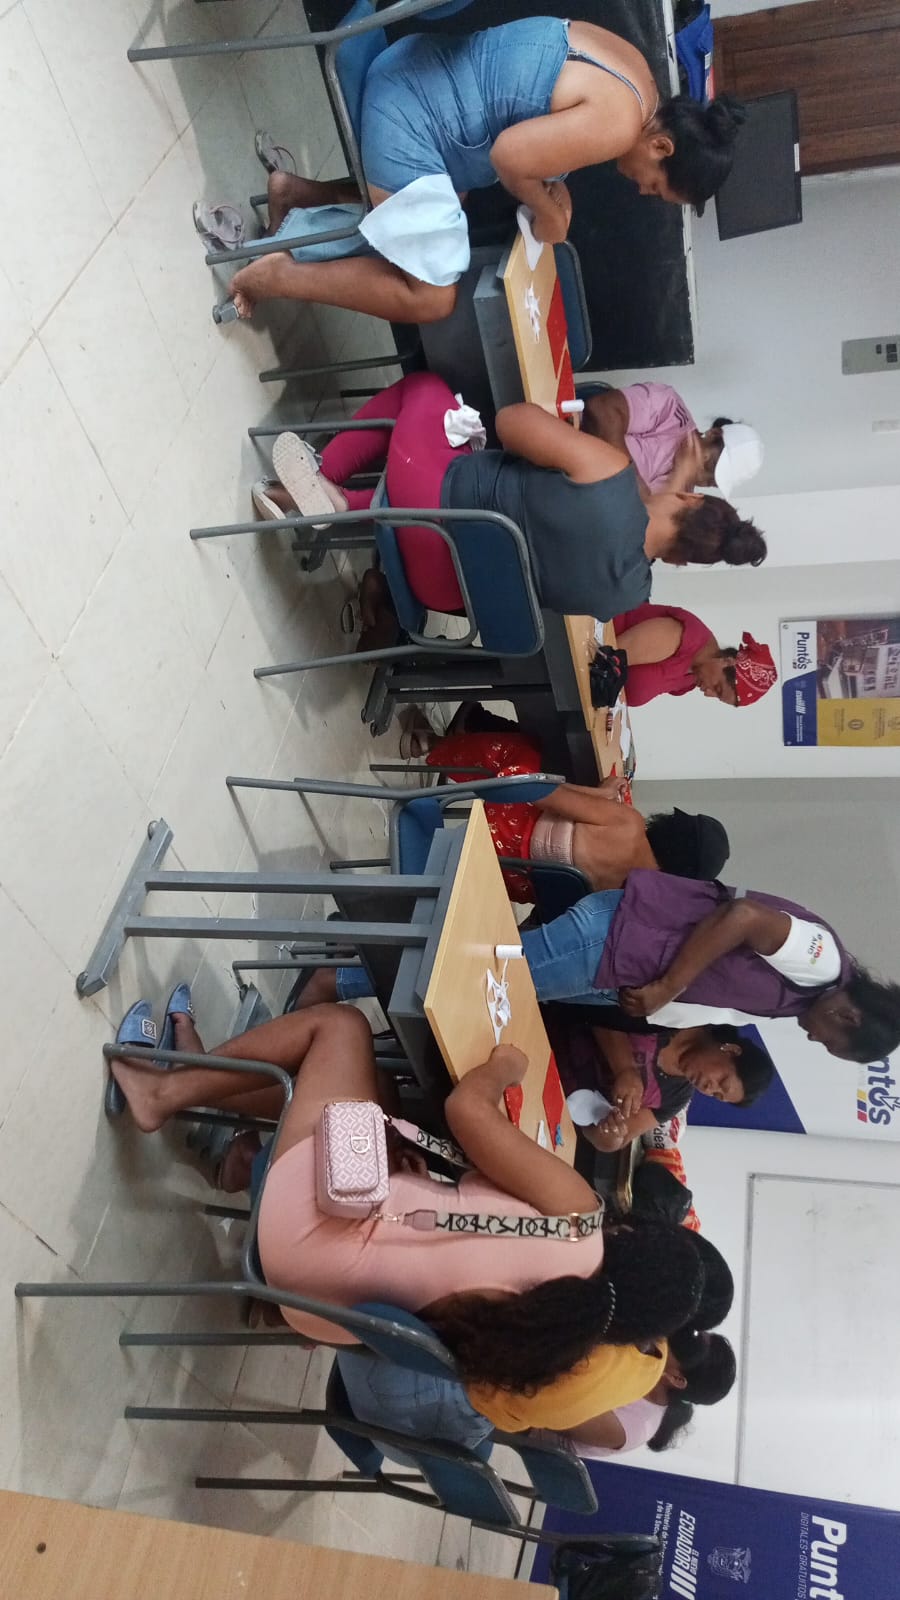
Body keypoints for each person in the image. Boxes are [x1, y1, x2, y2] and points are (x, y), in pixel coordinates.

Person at [108, 1002, 707, 1420]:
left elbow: (466, 1111)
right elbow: (446, 1287)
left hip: (315, 1219)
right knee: (379, 1096)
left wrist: (506, 1068)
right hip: (320, 1305)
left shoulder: (581, 1220)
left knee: (341, 1029)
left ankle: (164, 1093)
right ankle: (208, 1089)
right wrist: (419, 1189)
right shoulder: (559, 1340)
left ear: (637, 1236)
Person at [207, 19, 745, 325]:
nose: (643, 190)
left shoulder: (639, 76)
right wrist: (547, 214)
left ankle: (295, 194)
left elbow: (531, 107)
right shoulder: (621, 125)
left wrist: (550, 188)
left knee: (450, 206)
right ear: (661, 145)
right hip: (410, 114)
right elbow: (509, 156)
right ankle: (278, 276)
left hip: (416, 68)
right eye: (656, 186)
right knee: (433, 295)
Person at [265, 374, 767, 618]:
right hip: (444, 589)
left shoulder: (612, 474)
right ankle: (334, 503)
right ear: (682, 562)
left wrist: (558, 441)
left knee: (424, 388)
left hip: (430, 500)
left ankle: (315, 476)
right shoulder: (629, 597)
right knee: (464, 510)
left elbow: (509, 421)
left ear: (689, 499)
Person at [517, 869, 900, 1063]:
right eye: (830, 1042)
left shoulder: (806, 999)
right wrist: (668, 987)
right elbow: (744, 916)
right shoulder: (822, 962)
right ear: (849, 1017)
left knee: (504, 979)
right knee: (495, 974)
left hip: (618, 971)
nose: (815, 1040)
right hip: (620, 937)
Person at [549, 1016, 774, 1152]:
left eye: (716, 1095)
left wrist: (611, 1133)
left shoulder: (676, 1097)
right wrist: (625, 1069)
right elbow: (600, 1008)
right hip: (547, 1022)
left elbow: (617, 1139)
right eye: (721, 1081)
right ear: (731, 1050)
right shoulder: (680, 1016)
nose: (708, 1089)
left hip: (548, 1090)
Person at [535, 1326, 736, 1458]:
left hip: (529, 1414)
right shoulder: (646, 1351)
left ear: (677, 1379)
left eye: (688, 1345)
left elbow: (551, 1411)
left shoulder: (636, 1426)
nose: (675, 1333)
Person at [580, 383, 763, 498]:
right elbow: (601, 410)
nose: (703, 476)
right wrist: (632, 484)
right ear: (714, 434)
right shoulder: (670, 409)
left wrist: (677, 480)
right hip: (573, 449)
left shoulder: (681, 501)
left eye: (713, 481)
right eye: (711, 465)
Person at [613, 602, 777, 708]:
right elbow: (607, 656)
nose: (708, 693)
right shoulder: (682, 637)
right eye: (717, 688)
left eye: (716, 696)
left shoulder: (691, 678)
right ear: (727, 661)